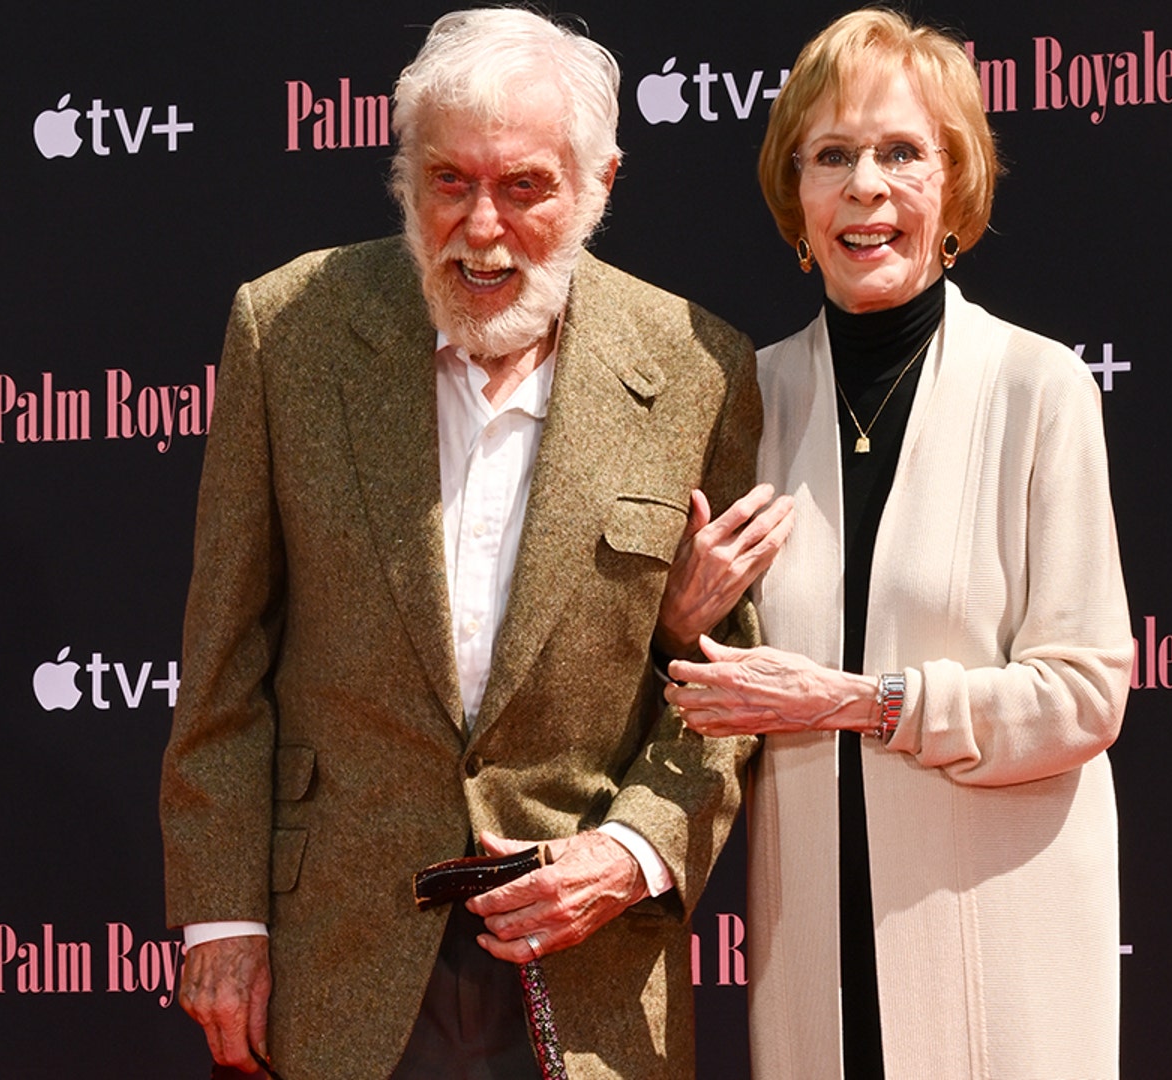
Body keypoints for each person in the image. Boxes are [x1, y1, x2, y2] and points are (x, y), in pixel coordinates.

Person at [158, 10, 764, 1078]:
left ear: (599, 183)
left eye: (525, 187)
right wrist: (219, 920)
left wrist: (629, 855)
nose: (481, 229)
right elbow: (222, 659)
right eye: (448, 182)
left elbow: (729, 688)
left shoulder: (698, 367)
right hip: (337, 959)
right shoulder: (286, 329)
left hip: (587, 967)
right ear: (404, 177)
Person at [662, 10, 1133, 1079]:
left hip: (997, 960)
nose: (866, 187)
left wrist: (858, 701)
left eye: (901, 152)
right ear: (797, 197)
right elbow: (707, 693)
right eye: (832, 156)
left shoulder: (1039, 386)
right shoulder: (746, 398)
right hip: (810, 968)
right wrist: (682, 621)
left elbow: (1083, 694)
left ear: (953, 182)